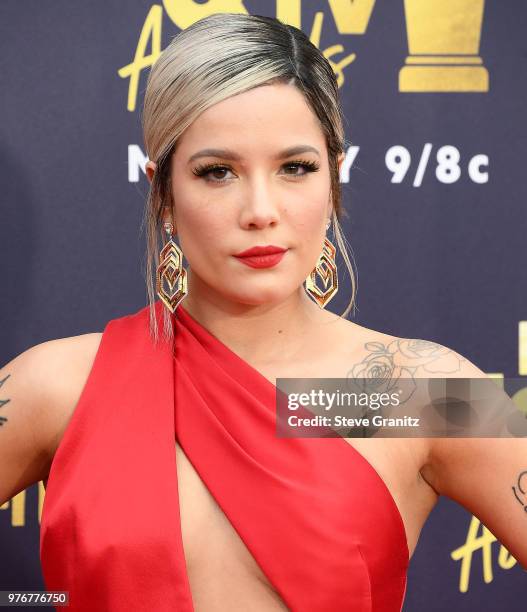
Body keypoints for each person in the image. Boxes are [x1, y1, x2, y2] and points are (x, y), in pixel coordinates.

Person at [1, 11, 526, 612]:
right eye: (217, 172)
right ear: (163, 194)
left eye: (295, 168)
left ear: (333, 179)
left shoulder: (409, 392)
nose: (260, 209)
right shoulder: (59, 387)